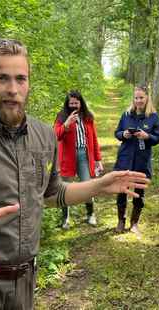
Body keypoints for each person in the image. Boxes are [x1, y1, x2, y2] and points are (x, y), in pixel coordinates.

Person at [0, 38, 149, 310]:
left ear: (28, 84)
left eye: (20, 79)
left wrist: (98, 185)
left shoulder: (44, 135)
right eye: (2, 78)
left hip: (25, 284)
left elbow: (51, 194)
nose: (13, 89)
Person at [113, 85, 159, 234]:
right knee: (122, 190)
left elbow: (158, 137)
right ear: (133, 99)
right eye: (136, 98)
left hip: (142, 160)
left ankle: (134, 223)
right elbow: (117, 132)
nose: (139, 100)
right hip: (125, 158)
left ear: (147, 98)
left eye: (141, 97)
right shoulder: (126, 114)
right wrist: (124, 134)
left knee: (139, 192)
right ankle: (121, 220)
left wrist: (147, 136)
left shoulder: (153, 117)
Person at [54, 90, 103, 229]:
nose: (74, 106)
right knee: (65, 187)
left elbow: (93, 138)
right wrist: (66, 124)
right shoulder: (61, 116)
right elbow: (55, 135)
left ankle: (91, 214)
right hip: (67, 156)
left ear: (81, 103)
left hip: (84, 155)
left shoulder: (88, 117)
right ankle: (65, 219)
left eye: (76, 103)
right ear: (67, 104)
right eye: (71, 103)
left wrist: (98, 159)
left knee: (87, 185)